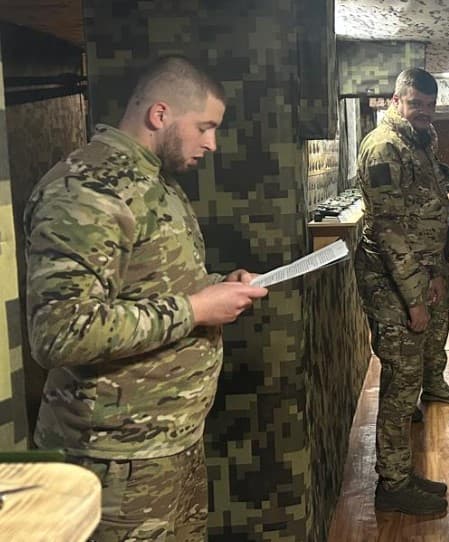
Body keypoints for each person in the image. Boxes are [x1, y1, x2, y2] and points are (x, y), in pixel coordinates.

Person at [24, 55, 268, 541]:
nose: (212, 143)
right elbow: (59, 332)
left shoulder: (154, 181)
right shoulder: (88, 189)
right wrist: (197, 309)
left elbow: (148, 286)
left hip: (165, 444)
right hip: (111, 460)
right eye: (205, 127)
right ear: (160, 115)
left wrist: (219, 286)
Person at [354, 67, 449, 515]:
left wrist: (434, 273)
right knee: (400, 384)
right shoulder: (383, 148)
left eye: (430, 107)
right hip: (389, 282)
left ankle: (401, 470)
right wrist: (415, 299)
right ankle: (392, 485)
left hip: (416, 274)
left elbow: (426, 212)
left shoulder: (421, 139)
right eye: (416, 104)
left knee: (410, 379)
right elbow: (390, 230)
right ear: (396, 101)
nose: (424, 114)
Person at [412, 162, 449, 423]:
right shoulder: (403, 167)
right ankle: (405, 398)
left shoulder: (444, 170)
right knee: (408, 331)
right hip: (409, 262)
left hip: (440, 258)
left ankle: (434, 382)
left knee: (438, 325)